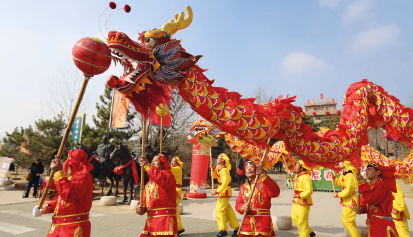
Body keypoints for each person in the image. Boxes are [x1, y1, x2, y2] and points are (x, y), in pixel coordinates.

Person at [32, 149, 94, 237]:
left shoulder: (84, 176)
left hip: (74, 227)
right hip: (56, 228)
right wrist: (45, 208)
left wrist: (58, 172)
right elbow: (60, 201)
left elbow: (69, 196)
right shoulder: (69, 177)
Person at [136, 154, 178, 237]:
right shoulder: (149, 183)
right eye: (151, 161)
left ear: (163, 164)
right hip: (150, 223)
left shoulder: (169, 176)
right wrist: (140, 207)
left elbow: (163, 181)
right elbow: (145, 199)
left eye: (155, 160)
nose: (152, 162)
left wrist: (147, 166)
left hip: (164, 221)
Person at [235, 161, 280, 236]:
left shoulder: (264, 182)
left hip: (262, 223)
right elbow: (238, 204)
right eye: (247, 168)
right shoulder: (242, 187)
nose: (249, 169)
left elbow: (275, 192)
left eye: (252, 167)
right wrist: (243, 207)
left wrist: (263, 176)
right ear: (245, 172)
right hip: (247, 224)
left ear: (257, 170)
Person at [355, 163, 398, 236]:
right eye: (366, 169)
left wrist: (362, 182)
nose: (367, 171)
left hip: (381, 224)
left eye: (369, 169)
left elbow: (372, 199)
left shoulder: (381, 185)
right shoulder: (370, 186)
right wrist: (361, 209)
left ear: (378, 172)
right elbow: (368, 204)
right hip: (373, 223)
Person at [210, 153, 240, 237]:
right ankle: (237, 228)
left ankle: (223, 230)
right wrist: (212, 169)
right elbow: (215, 176)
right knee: (227, 211)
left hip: (224, 191)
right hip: (222, 191)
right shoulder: (219, 168)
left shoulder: (225, 170)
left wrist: (217, 191)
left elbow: (226, 182)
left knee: (219, 210)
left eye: (219, 158)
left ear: (223, 160)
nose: (217, 159)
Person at [328, 161, 360, 237]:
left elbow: (349, 189)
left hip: (350, 200)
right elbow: (340, 183)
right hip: (346, 200)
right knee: (349, 221)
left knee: (347, 221)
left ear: (346, 164)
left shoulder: (350, 175)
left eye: (341, 161)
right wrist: (334, 177)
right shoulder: (344, 173)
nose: (338, 163)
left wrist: (338, 194)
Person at [288, 160, 316, 237]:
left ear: (302, 168)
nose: (295, 167)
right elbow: (295, 186)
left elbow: (309, 191)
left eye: (297, 166)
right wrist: (291, 179)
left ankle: (305, 235)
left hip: (303, 202)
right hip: (296, 202)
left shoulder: (306, 177)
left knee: (302, 222)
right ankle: (310, 232)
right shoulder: (298, 175)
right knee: (294, 217)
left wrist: (298, 195)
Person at [171, 156, 185, 235]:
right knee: (174, 209)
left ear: (177, 163)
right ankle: (177, 227)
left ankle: (178, 227)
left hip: (176, 190)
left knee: (174, 209)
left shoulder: (178, 169)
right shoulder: (175, 169)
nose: (171, 162)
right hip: (174, 189)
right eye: (171, 161)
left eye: (173, 161)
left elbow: (169, 169)